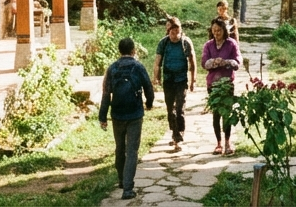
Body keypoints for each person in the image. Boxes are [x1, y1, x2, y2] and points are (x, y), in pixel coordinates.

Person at [99, 37, 155, 200]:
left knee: (120, 148)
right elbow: (148, 86)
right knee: (132, 150)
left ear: (119, 51)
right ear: (133, 51)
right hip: (135, 113)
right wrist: (149, 103)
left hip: (117, 114)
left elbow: (106, 93)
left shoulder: (112, 68)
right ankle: (128, 188)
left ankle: (122, 180)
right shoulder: (138, 66)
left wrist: (103, 116)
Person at [153, 16, 196, 151]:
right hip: (168, 80)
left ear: (181, 31)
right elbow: (157, 62)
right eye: (172, 32)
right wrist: (157, 78)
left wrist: (193, 80)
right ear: (168, 31)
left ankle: (179, 135)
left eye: (177, 32)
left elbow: (192, 62)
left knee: (179, 109)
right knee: (169, 109)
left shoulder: (185, 43)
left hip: (181, 80)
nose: (174, 35)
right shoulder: (163, 43)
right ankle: (174, 132)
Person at [202, 16, 241, 155]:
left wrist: (226, 62)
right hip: (213, 84)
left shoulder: (231, 44)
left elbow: (237, 62)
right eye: (214, 31)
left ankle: (227, 142)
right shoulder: (208, 45)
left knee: (227, 114)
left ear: (224, 31)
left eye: (219, 30)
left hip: (226, 83)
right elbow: (204, 63)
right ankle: (218, 143)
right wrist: (214, 61)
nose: (216, 33)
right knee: (216, 114)